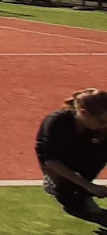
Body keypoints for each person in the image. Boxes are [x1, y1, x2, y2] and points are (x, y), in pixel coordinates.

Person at [36, 88, 107, 227]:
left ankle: (81, 189)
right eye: (102, 122)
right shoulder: (57, 122)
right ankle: (60, 185)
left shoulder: (99, 127)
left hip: (83, 153)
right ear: (85, 114)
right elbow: (52, 161)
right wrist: (89, 186)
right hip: (57, 161)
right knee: (70, 199)